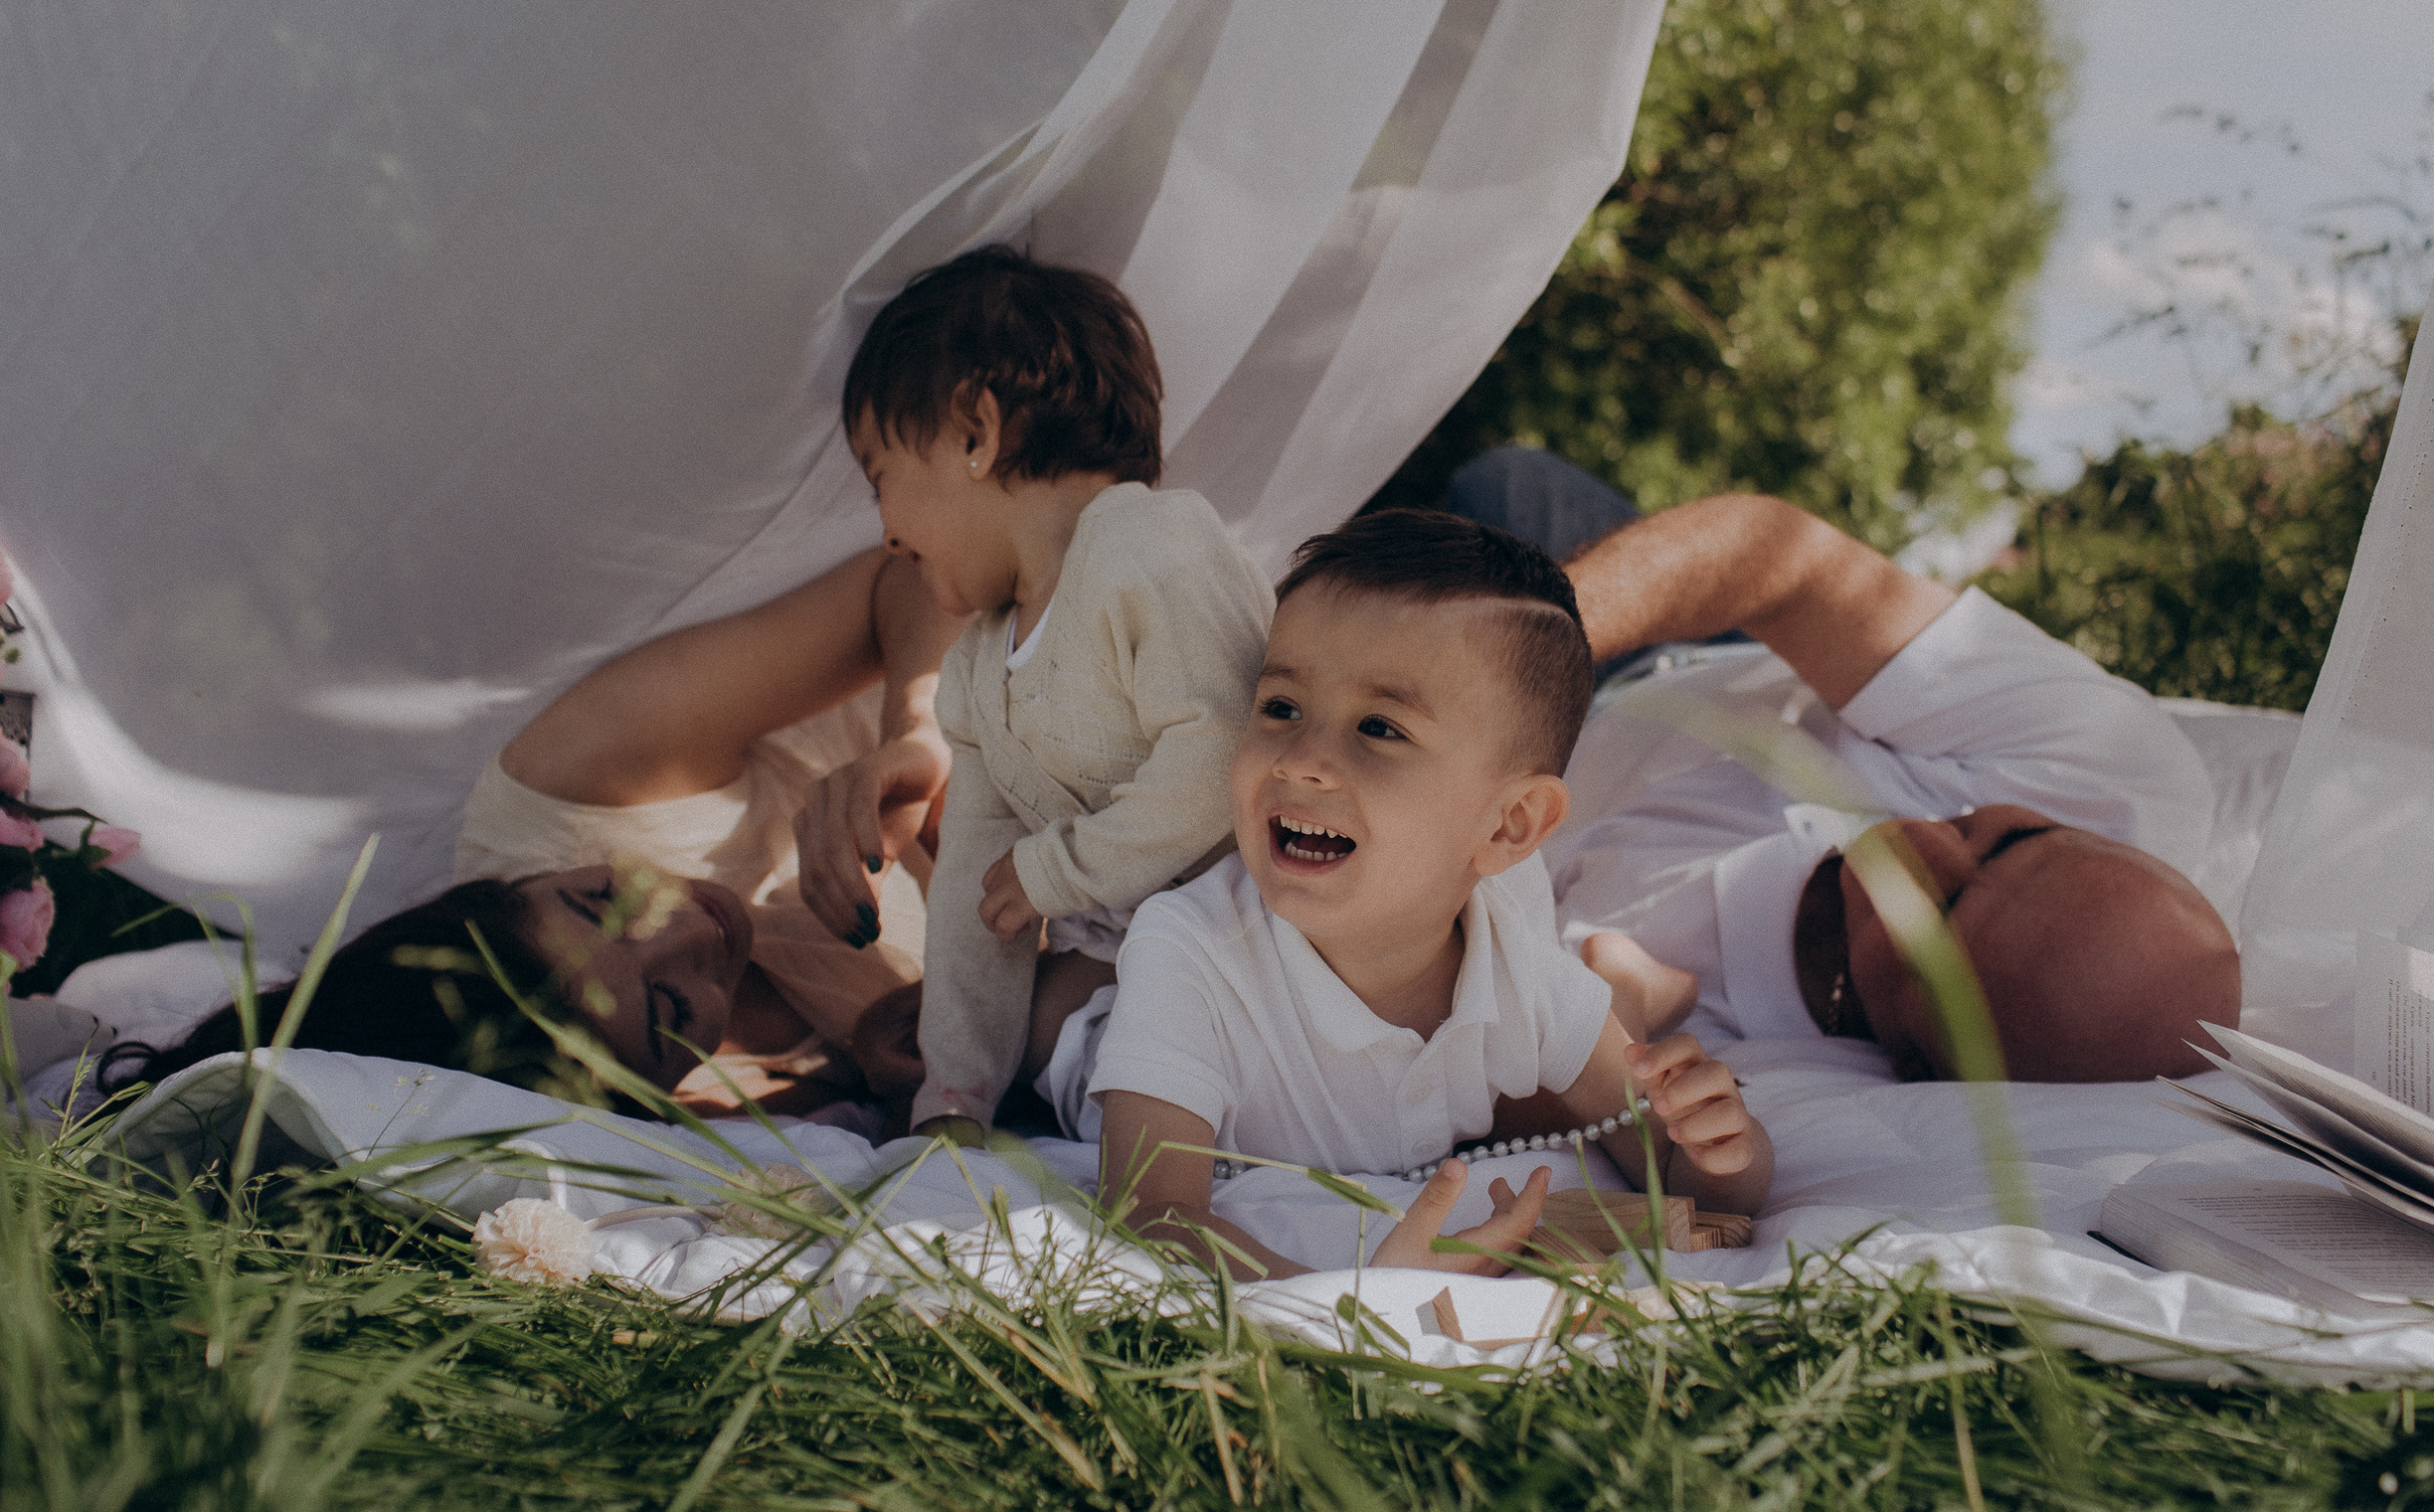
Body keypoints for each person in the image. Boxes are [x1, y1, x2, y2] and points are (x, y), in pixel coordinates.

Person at [1084, 511, 1775, 1282]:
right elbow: (1150, 1213)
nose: (1303, 761)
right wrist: (1368, 1295)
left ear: (1509, 825)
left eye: (1379, 727)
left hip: (1482, 954)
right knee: (1054, 1009)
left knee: (1566, 1069)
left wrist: (1724, 1151)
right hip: (1095, 1009)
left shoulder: (1515, 967)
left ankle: (1622, 976)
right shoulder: (1188, 954)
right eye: (1281, 708)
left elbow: (1688, 1180)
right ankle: (1624, 976)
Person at [121, 542, 968, 1110]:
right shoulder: (698, 1119)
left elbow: (906, 572)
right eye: (670, 1009)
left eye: (601, 900)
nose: (689, 929)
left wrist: (918, 731)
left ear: (518, 885)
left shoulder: (575, 790)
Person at [1490, 453, 2241, 1086]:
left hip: (1485, 823)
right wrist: (1499, 665)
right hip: (1654, 651)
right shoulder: (2114, 771)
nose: (1918, 839)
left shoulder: (1779, 1082)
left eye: (1935, 918)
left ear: (1921, 1056)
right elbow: (1775, 558)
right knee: (1508, 478)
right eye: (2004, 840)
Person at [841, 246, 1274, 1132]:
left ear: (974, 431)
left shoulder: (1149, 544)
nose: (884, 533)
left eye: (880, 475)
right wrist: (952, 1097)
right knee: (1035, 1028)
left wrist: (1059, 871)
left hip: (1293, 932)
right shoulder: (975, 667)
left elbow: (1228, 748)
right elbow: (977, 886)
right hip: (1164, 961)